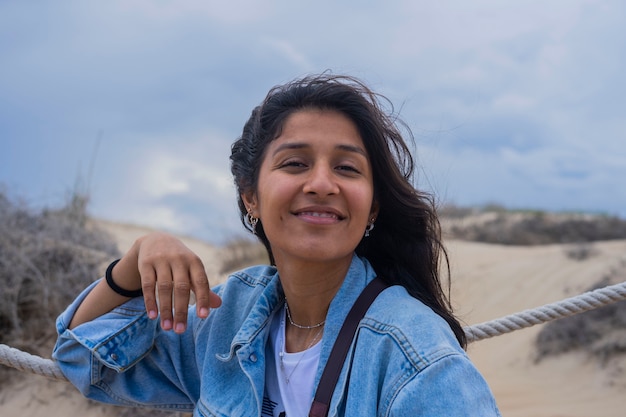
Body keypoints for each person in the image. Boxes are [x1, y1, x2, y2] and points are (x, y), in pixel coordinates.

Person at [53, 73, 501, 416]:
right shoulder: (228, 320)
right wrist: (134, 262)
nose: (322, 183)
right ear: (251, 196)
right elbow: (85, 360)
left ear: (374, 207)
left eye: (347, 168)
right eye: (295, 163)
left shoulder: (415, 355)